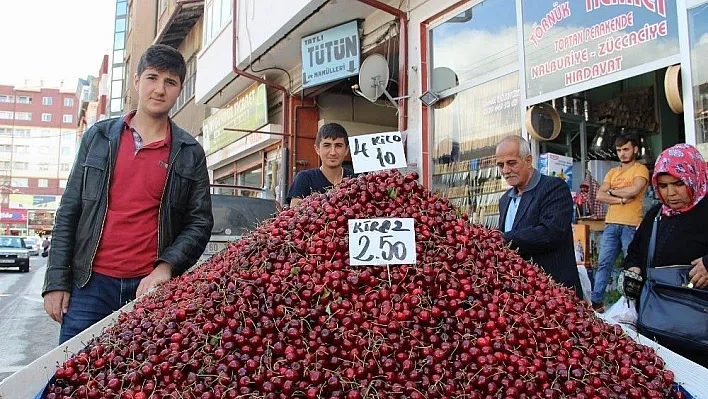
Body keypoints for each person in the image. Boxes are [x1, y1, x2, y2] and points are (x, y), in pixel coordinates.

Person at [43, 44, 214, 344]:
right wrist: (56, 282)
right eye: (152, 78)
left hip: (149, 289)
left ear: (180, 90)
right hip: (89, 286)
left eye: (170, 82)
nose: (159, 89)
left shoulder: (189, 152)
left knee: (138, 380)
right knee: (71, 380)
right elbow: (69, 210)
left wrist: (166, 268)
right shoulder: (98, 137)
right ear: (136, 81)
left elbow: (199, 222)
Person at [622, 143, 708, 366]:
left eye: (679, 183)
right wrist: (634, 268)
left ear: (694, 176)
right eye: (663, 186)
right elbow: (634, 251)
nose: (670, 193)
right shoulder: (656, 215)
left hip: (701, 336)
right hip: (660, 330)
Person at [496, 136, 582, 295]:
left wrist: (502, 239)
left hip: (554, 293)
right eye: (501, 165)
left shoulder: (554, 188)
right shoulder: (505, 200)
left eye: (511, 163)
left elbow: (550, 232)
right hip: (521, 294)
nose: (506, 170)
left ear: (528, 160)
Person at [592, 134, 649, 311]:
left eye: (626, 149)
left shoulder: (640, 169)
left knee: (633, 268)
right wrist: (621, 199)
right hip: (611, 223)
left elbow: (635, 190)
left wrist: (613, 191)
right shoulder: (612, 172)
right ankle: (596, 303)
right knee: (603, 264)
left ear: (635, 149)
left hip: (631, 225)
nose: (622, 154)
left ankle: (635, 305)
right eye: (619, 150)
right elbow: (600, 195)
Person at [287, 123, 355, 207]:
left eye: (338, 146)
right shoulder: (304, 178)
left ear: (346, 150)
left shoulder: (355, 179)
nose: (333, 152)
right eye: (327, 145)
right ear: (317, 149)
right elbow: (295, 213)